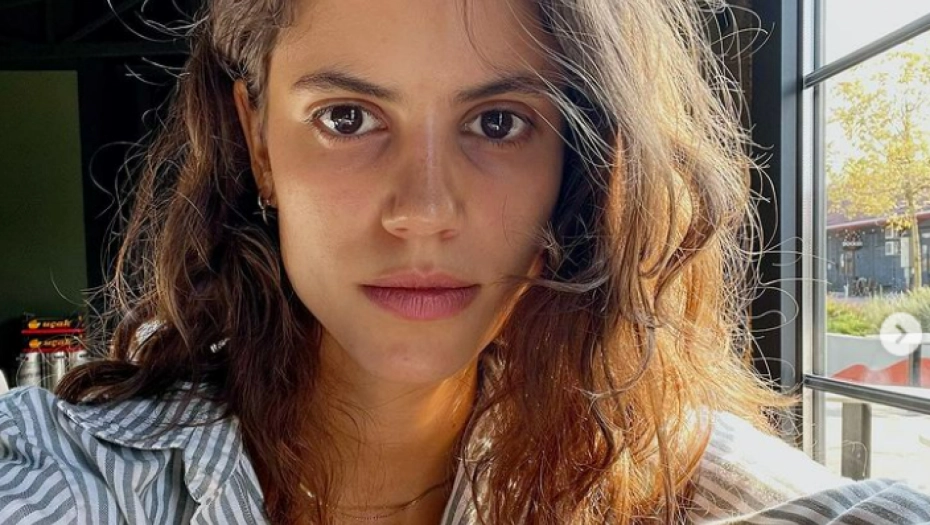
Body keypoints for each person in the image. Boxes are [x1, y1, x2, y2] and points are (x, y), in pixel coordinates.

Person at [2, 0, 929, 523]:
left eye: (497, 122)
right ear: (259, 144)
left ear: (576, 159)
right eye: (347, 118)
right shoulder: (65, 472)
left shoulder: (654, 469)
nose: (424, 211)